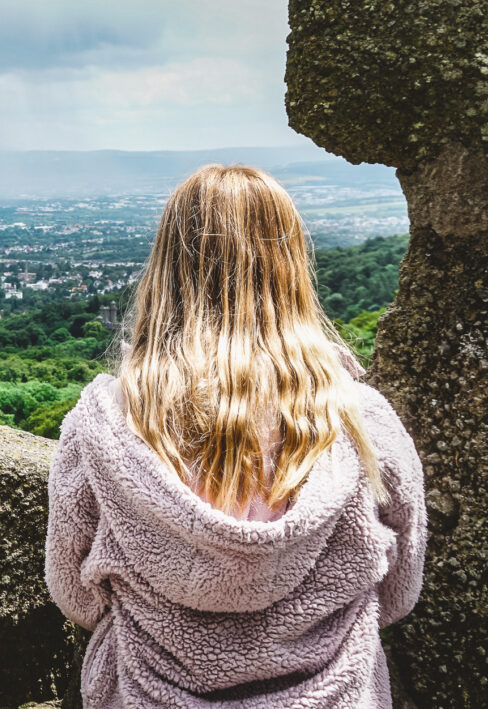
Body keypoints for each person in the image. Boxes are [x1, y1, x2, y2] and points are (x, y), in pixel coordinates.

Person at [45, 164, 426, 708]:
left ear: (168, 268)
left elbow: (74, 592)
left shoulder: (106, 424)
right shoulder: (361, 422)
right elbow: (398, 593)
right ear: (291, 267)